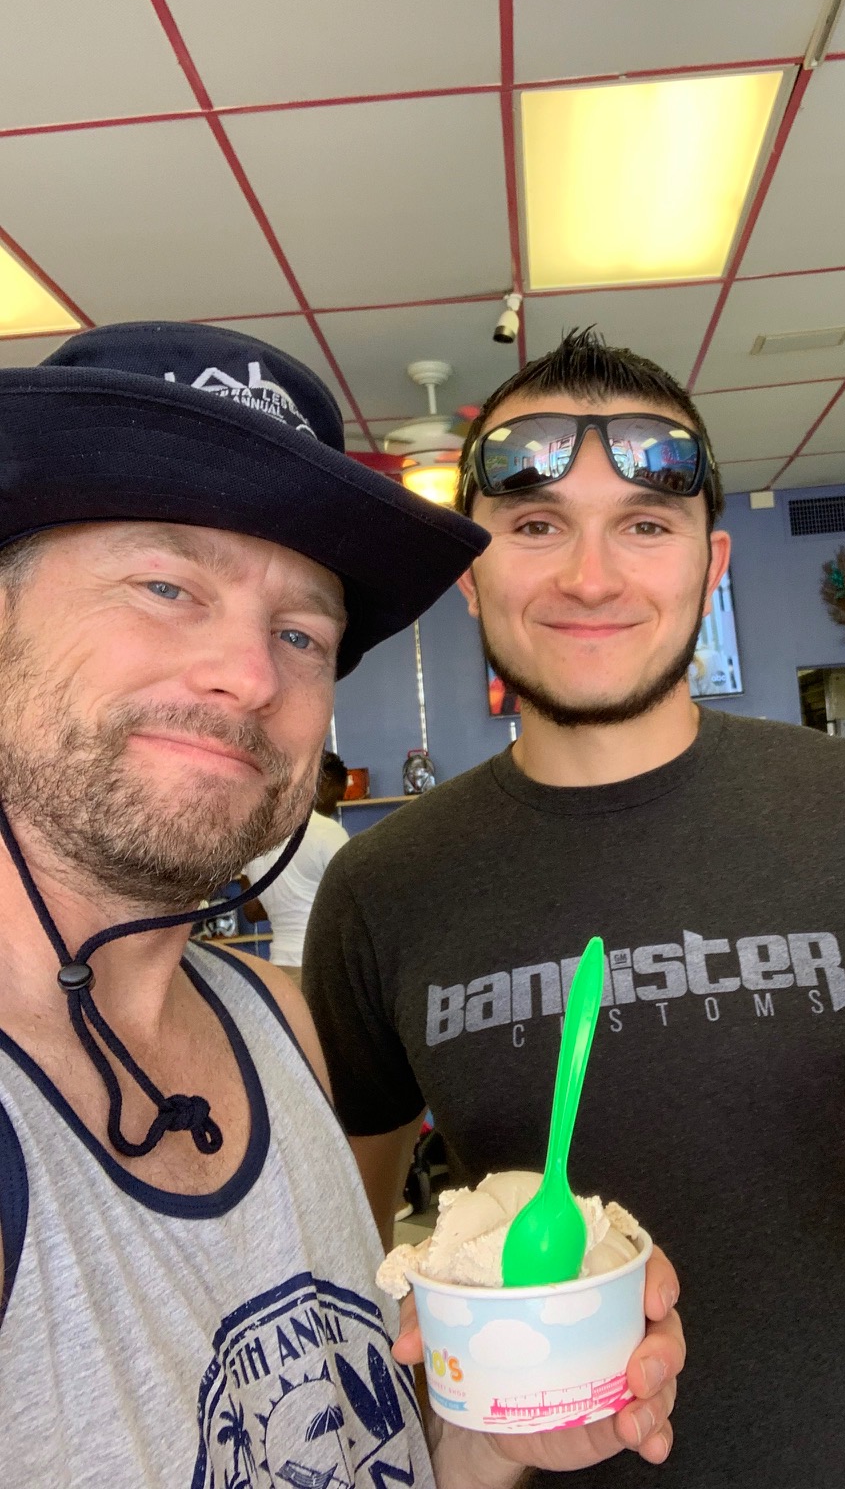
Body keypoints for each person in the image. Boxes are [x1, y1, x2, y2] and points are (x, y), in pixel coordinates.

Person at [305, 329, 845, 1489]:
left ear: (714, 562)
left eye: (646, 525)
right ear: (472, 568)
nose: (591, 576)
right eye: (536, 525)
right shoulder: (381, 887)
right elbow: (336, 1267)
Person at [0, 321, 683, 1486]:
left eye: (299, 631)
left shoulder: (279, 1024)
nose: (249, 674)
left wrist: (485, 1433)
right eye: (166, 584)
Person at [244, 749, 351, 985]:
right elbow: (353, 903)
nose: (335, 806)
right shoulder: (327, 831)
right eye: (337, 796)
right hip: (322, 967)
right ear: (323, 783)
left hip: (280, 968)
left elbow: (251, 910)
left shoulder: (257, 837)